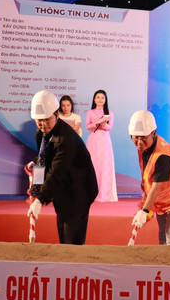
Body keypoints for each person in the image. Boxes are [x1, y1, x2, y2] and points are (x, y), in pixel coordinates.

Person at [27, 90, 98, 245]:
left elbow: (57, 172)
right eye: (39, 120)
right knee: (63, 231)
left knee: (72, 239)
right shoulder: (41, 134)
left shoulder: (66, 139)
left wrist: (40, 199)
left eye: (46, 119)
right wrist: (36, 181)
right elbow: (44, 158)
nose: (43, 124)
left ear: (57, 115)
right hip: (62, 190)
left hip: (79, 191)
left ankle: (74, 266)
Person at [128, 110, 170, 245]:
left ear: (153, 133)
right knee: (163, 239)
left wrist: (145, 210)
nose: (139, 142)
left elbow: (157, 186)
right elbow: (148, 179)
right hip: (162, 199)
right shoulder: (144, 148)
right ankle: (164, 266)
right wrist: (144, 207)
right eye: (135, 137)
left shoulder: (163, 154)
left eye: (143, 138)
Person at [86, 89, 117, 202]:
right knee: (93, 164)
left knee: (104, 165)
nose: (100, 99)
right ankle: (91, 192)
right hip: (93, 139)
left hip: (104, 140)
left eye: (102, 98)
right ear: (94, 99)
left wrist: (104, 124)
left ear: (105, 100)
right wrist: (97, 123)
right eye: (98, 97)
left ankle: (104, 193)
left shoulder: (109, 112)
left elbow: (110, 128)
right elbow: (88, 126)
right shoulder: (90, 112)